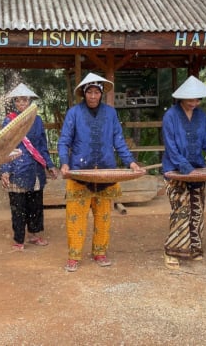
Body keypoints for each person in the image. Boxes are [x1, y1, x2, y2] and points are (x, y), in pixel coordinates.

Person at [57, 72, 141, 272]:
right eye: (90, 92)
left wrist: (131, 163)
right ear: (84, 94)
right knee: (75, 217)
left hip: (106, 172)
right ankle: (74, 256)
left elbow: (118, 140)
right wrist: (64, 163)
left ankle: (100, 252)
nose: (93, 96)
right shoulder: (74, 113)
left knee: (103, 217)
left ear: (101, 93)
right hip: (79, 173)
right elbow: (64, 141)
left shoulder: (110, 113)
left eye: (96, 92)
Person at [161, 76, 206, 268]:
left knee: (197, 210)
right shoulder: (171, 116)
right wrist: (185, 168)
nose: (194, 103)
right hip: (175, 170)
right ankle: (172, 251)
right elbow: (171, 147)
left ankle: (193, 249)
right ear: (181, 98)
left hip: (197, 170)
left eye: (198, 99)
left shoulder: (201, 116)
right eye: (191, 99)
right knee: (180, 210)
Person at [0, 83, 59, 251]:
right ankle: (19, 239)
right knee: (18, 206)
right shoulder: (9, 120)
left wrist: (50, 165)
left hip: (35, 168)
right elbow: (4, 147)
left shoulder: (37, 120)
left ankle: (34, 235)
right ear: (14, 103)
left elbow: (41, 145)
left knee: (35, 204)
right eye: (18, 101)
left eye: (24, 100)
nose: (21, 104)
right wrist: (5, 170)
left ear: (30, 101)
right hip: (16, 168)